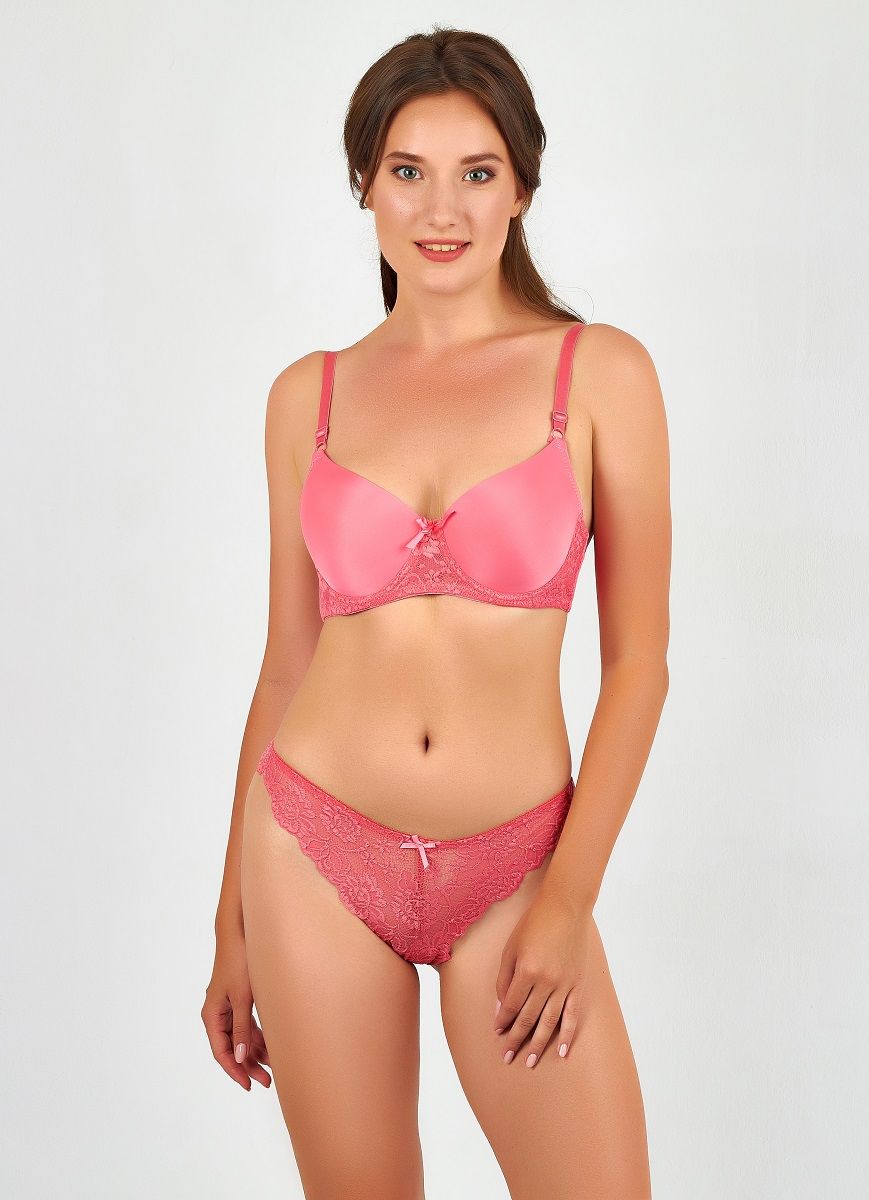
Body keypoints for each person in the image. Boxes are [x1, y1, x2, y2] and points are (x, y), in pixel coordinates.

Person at [201, 27, 669, 1200]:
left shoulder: (599, 374)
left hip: (517, 867)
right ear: (365, 182)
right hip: (312, 850)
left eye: (477, 171)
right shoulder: (307, 396)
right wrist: (230, 923)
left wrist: (568, 902)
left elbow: (640, 667)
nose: (441, 208)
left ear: (522, 188)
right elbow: (286, 664)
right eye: (408, 170)